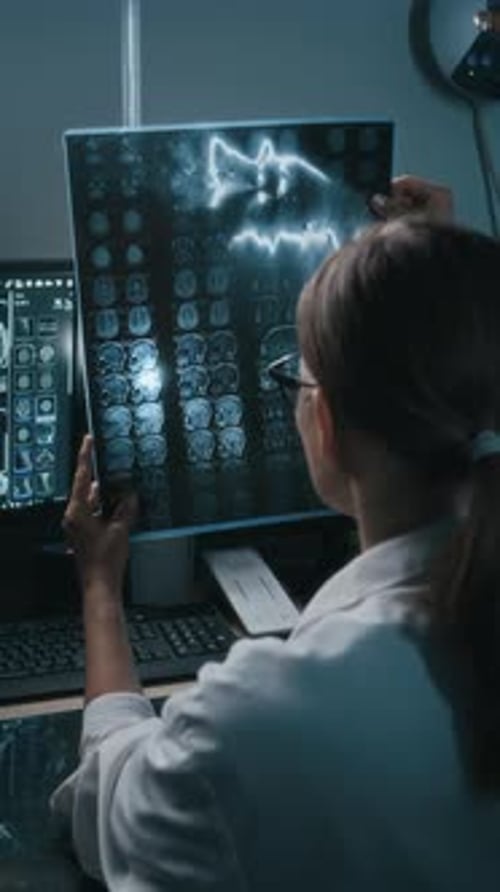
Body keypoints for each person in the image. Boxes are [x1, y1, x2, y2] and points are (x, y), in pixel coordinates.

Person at [51, 177, 500, 891]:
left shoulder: (257, 722)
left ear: (324, 425)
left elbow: (106, 806)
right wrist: (431, 277)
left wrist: (100, 586)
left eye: (298, 378)